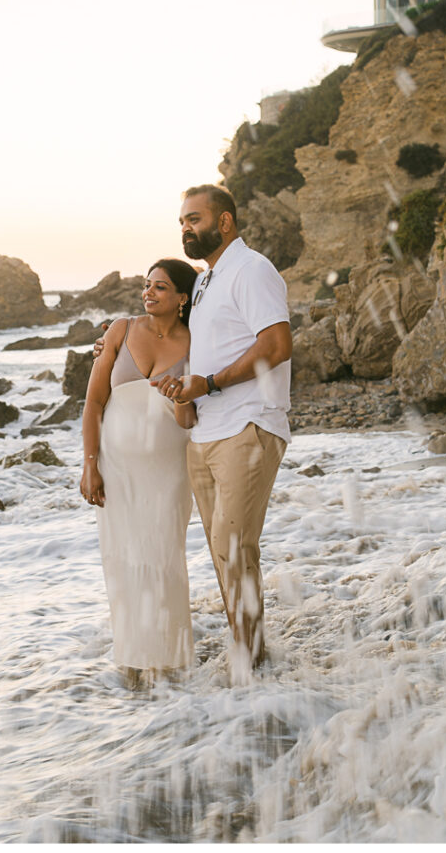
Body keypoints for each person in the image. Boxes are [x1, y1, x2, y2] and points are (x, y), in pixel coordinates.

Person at [152, 184, 292, 671]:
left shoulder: (251, 270)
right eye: (182, 222)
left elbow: (276, 345)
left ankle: (250, 663)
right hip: (206, 433)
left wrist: (208, 383)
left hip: (248, 424)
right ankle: (248, 654)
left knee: (235, 548)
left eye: (194, 219)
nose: (186, 229)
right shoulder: (208, 280)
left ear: (225, 222)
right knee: (223, 553)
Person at [80, 259, 198, 678]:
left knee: (165, 559)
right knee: (124, 560)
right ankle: (132, 662)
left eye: (161, 287)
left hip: (169, 471)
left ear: (182, 298)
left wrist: (182, 397)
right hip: (117, 468)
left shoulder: (197, 342)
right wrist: (89, 464)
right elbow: (94, 403)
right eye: (147, 285)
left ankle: (171, 663)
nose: (148, 293)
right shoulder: (120, 330)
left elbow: (187, 419)